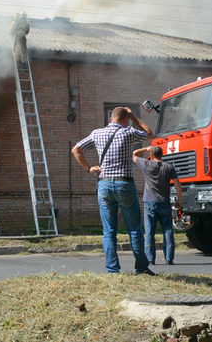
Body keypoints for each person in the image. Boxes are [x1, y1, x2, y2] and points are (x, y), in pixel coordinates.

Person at [72, 106, 155, 275]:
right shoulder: (129, 132)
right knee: (134, 229)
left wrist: (89, 168)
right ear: (125, 119)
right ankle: (141, 268)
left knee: (109, 231)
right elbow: (149, 134)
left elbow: (76, 150)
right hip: (124, 184)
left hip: (104, 185)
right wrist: (134, 117)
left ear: (111, 119)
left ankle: (112, 271)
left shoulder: (97, 133)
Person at [133, 145, 182, 265]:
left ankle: (150, 259)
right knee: (168, 230)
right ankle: (169, 258)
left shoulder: (146, 164)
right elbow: (178, 184)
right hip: (164, 202)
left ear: (151, 155)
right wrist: (179, 200)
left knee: (150, 231)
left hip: (150, 203)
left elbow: (133, 155)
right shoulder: (169, 166)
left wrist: (145, 148)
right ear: (162, 154)